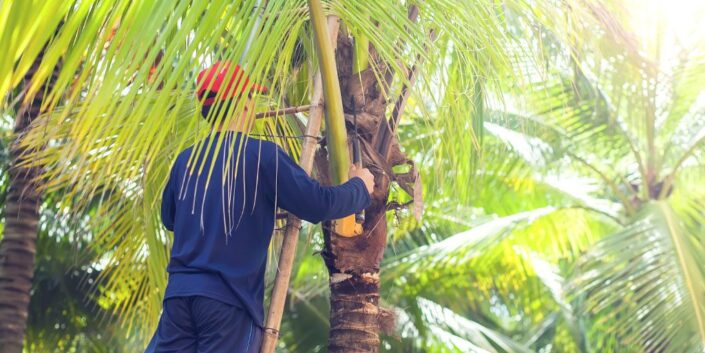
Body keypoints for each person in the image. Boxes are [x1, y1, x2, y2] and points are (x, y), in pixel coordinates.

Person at [144, 61, 374, 353]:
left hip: (179, 299)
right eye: (251, 97)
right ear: (243, 104)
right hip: (228, 304)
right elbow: (318, 205)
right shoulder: (262, 156)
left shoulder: (186, 161)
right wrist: (360, 187)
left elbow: (169, 218)